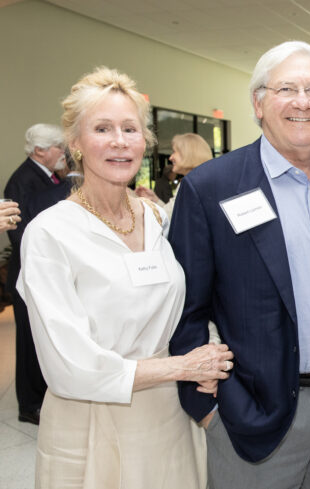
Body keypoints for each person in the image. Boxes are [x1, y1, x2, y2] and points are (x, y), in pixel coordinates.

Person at [167, 41, 310, 489]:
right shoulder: (211, 187)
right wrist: (209, 409)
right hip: (251, 409)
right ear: (259, 104)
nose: (302, 101)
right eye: (286, 88)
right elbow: (184, 309)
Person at [17, 66, 234, 489]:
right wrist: (183, 366)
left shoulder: (154, 217)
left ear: (144, 141)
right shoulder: (50, 233)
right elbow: (69, 366)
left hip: (170, 417)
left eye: (130, 129)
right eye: (102, 128)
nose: (119, 141)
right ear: (76, 143)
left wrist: (204, 356)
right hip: (94, 420)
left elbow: (185, 304)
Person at [4, 122, 65, 425]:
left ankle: (44, 396)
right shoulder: (23, 180)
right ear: (40, 151)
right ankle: (29, 405)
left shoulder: (48, 177)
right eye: (58, 147)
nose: (62, 153)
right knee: (29, 340)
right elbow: (19, 232)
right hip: (28, 272)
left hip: (42, 270)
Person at [136, 133, 213, 217]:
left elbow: (167, 218)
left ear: (187, 154)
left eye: (174, 152)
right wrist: (154, 199)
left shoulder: (191, 185)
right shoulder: (202, 181)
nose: (170, 157)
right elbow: (172, 213)